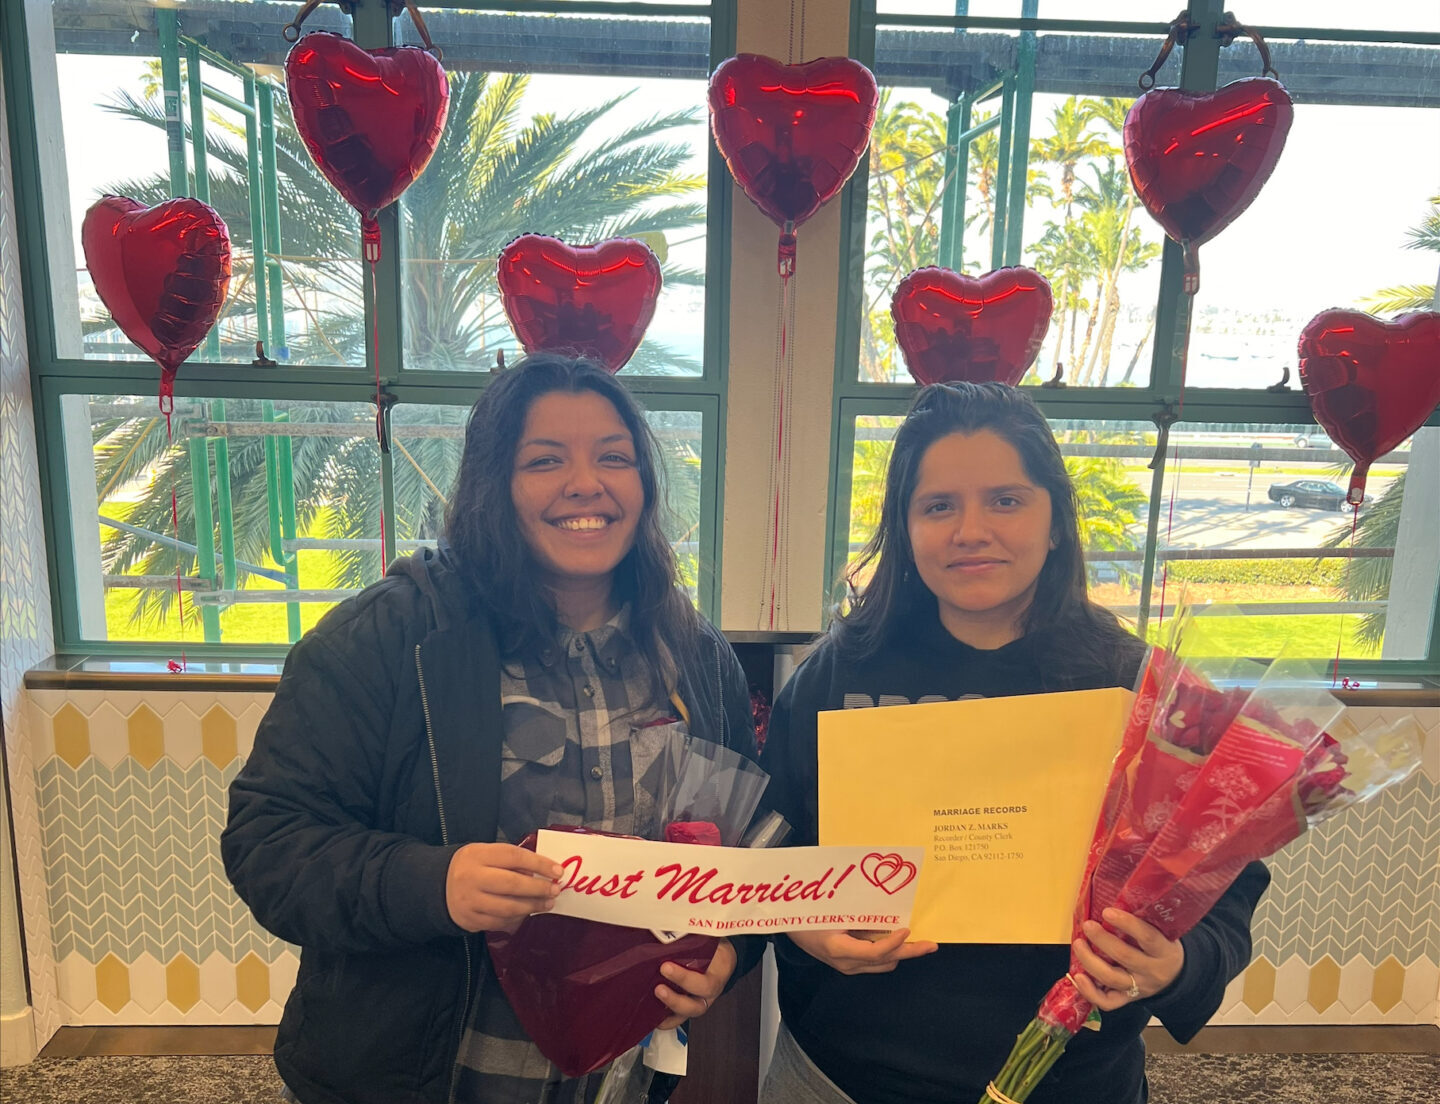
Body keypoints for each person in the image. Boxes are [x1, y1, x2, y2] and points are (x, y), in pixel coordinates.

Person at [223, 354, 757, 1104]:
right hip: (415, 1084)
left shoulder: (698, 660)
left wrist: (732, 948)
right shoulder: (386, 639)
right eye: (544, 461)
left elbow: (748, 866)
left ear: (645, 485)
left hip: (620, 1083)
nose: (585, 483)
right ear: (491, 485)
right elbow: (268, 843)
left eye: (614, 458)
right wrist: (433, 883)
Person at [759, 381, 1268, 1104]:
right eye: (938, 505)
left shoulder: (1136, 687)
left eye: (1005, 500)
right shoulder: (837, 674)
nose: (971, 529)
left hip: (1073, 1084)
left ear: (1055, 520)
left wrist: (1175, 965)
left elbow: (1226, 886)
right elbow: (762, 850)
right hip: (840, 1076)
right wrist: (803, 924)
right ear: (904, 527)